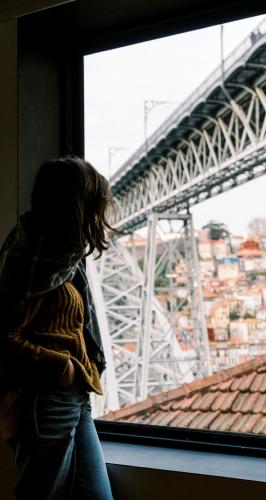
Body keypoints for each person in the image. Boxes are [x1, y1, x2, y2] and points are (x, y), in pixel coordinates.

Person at [0, 156, 114, 499]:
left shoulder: (61, 258)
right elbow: (4, 335)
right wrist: (58, 366)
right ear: (76, 205)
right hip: (45, 398)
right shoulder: (32, 259)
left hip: (75, 397)